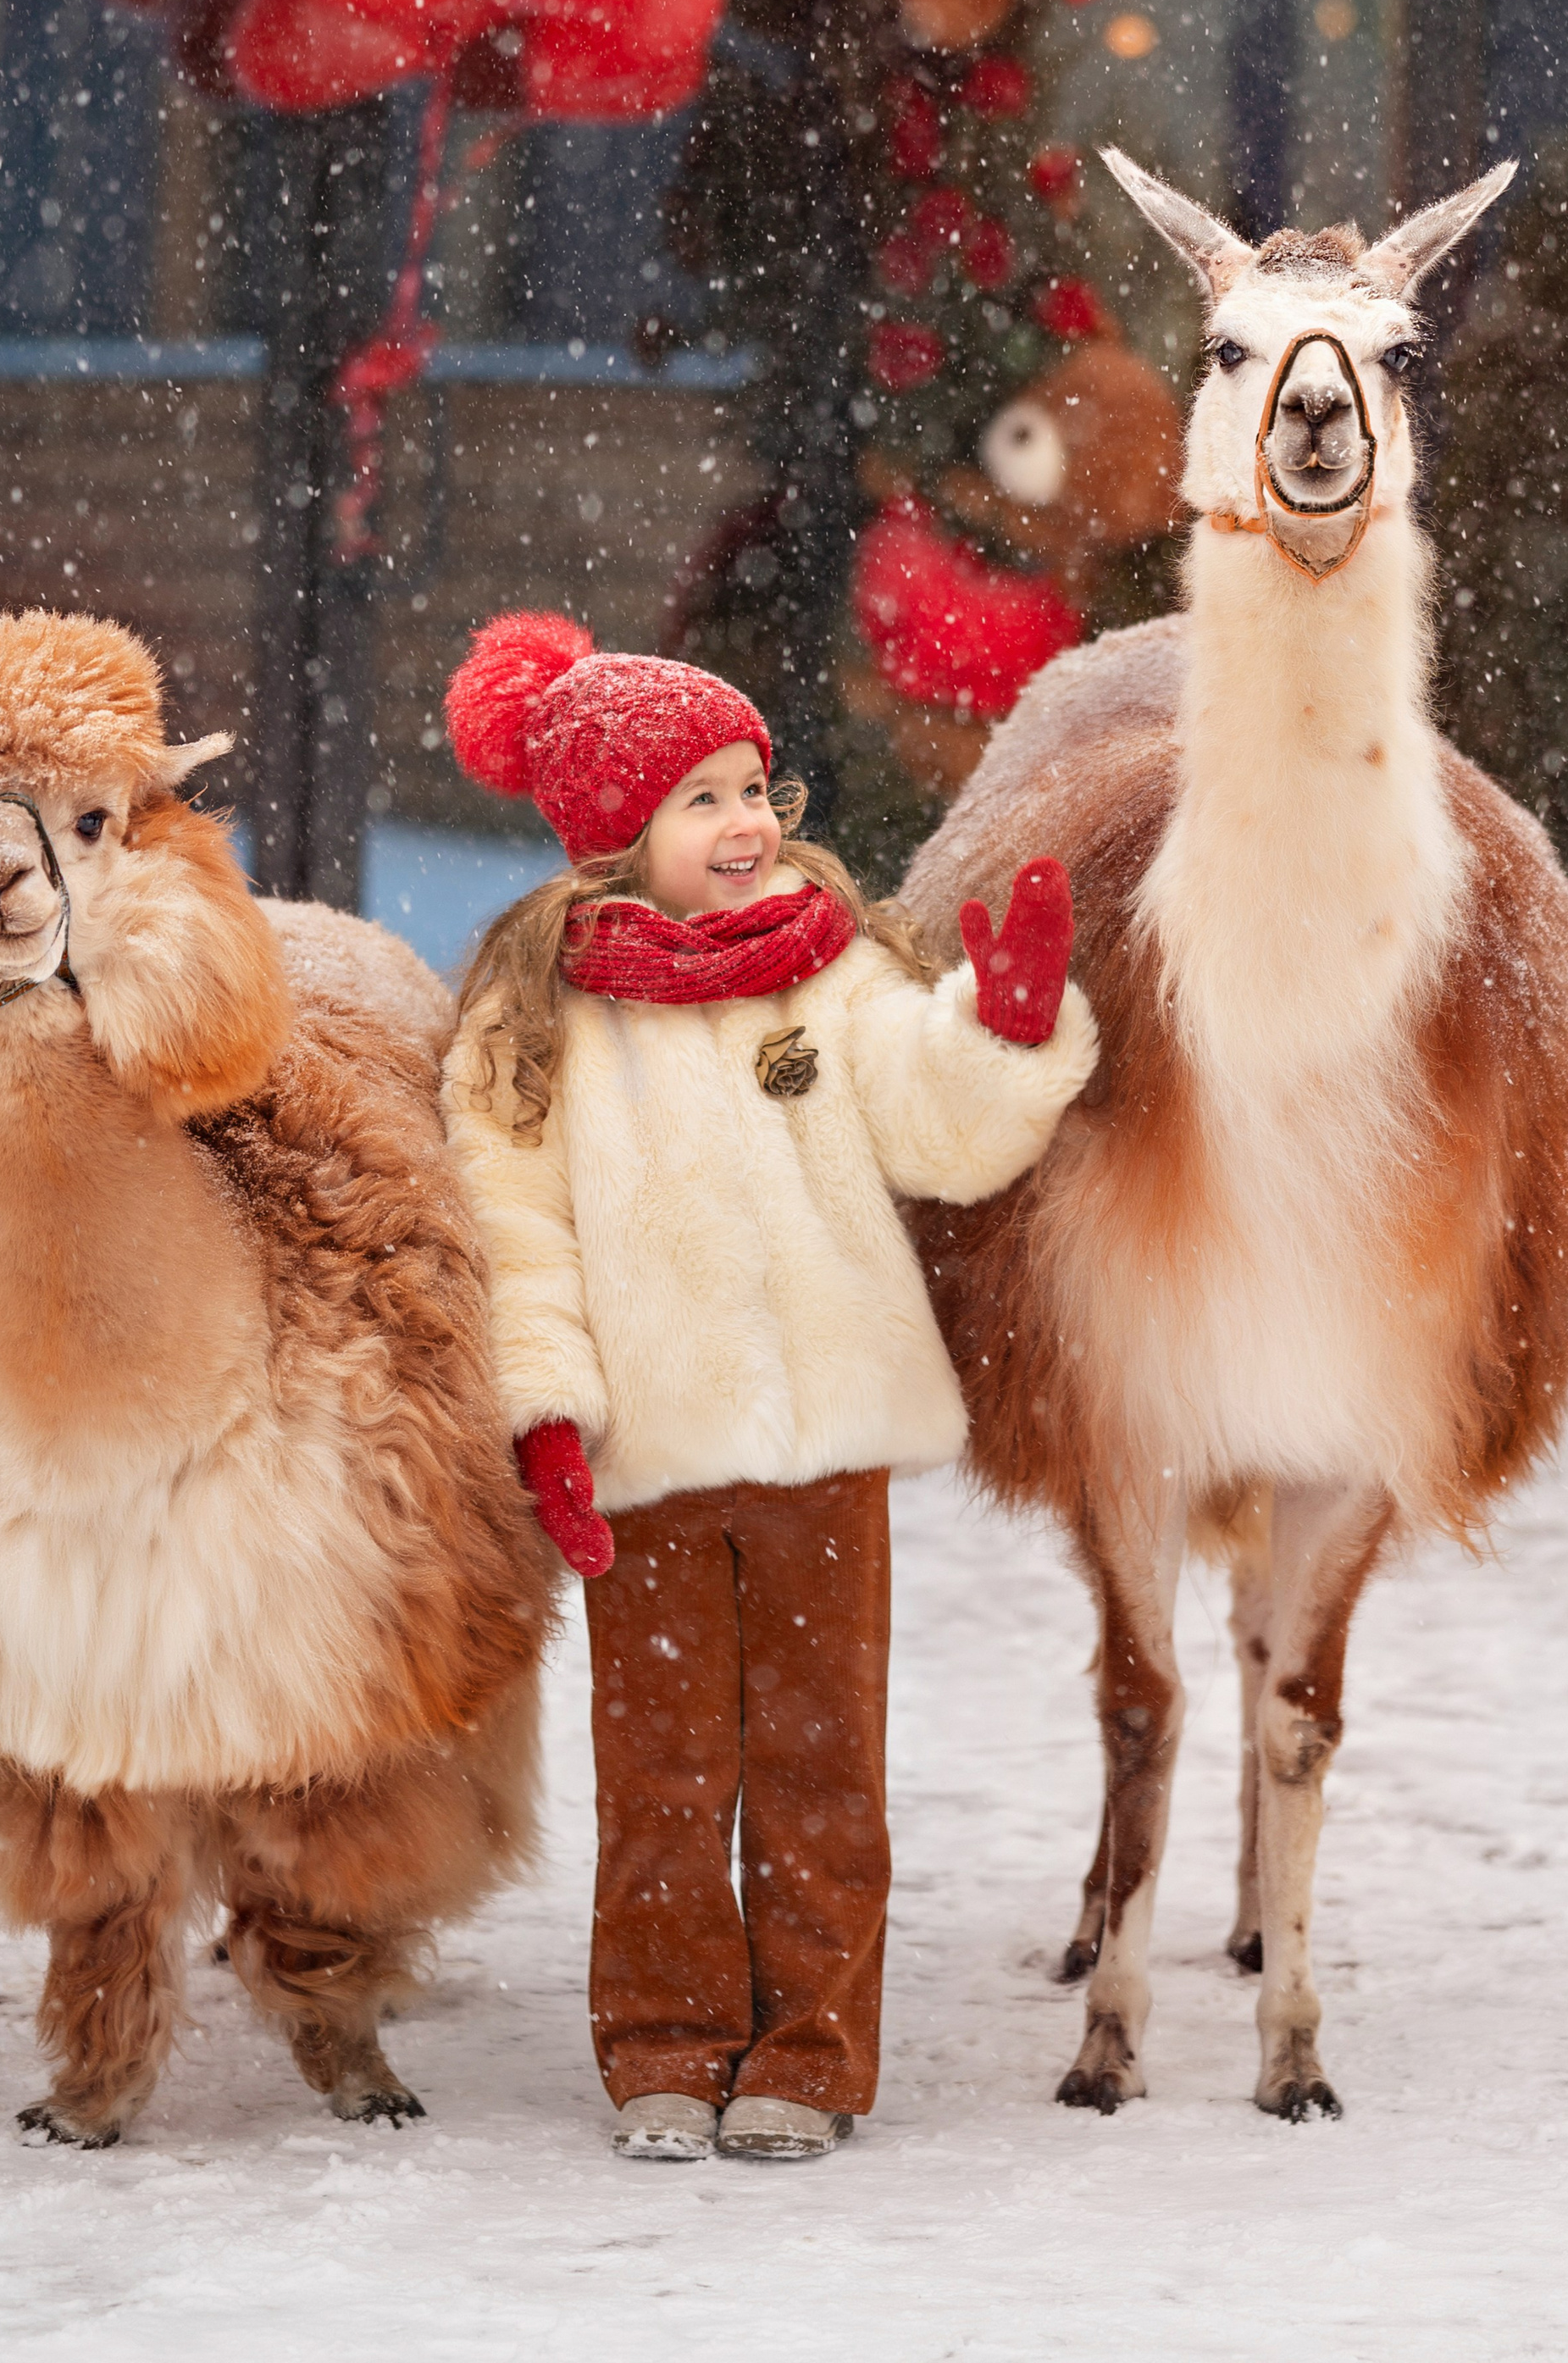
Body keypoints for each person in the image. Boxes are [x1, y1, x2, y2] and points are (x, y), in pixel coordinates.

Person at [440, 612, 1095, 2163]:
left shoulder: (836, 974)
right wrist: (547, 1413)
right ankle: (666, 2047)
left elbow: (932, 1126)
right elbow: (512, 1236)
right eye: (704, 801)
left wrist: (998, 1034)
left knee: (819, 1769)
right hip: (647, 1467)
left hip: (822, 1451)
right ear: (615, 839)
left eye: (757, 790)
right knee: (662, 1774)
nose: (749, 828)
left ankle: (810, 2052)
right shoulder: (536, 1024)